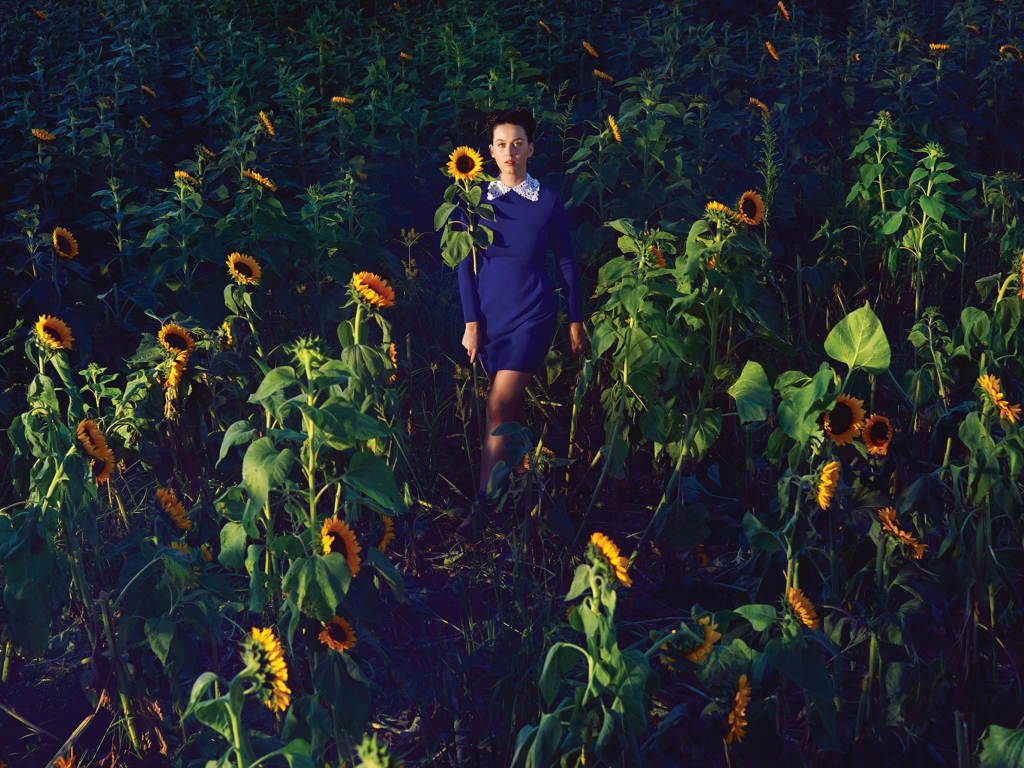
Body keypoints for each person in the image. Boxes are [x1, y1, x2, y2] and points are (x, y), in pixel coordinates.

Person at [454, 107, 588, 537]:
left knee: (496, 405)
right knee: (511, 414)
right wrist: (471, 323)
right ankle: (531, 499)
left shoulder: (547, 201)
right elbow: (462, 266)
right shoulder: (473, 199)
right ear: (489, 152)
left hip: (533, 315)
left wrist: (575, 319)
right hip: (491, 321)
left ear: (530, 148)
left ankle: (483, 509)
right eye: (500, 144)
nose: (509, 151)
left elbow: (566, 259)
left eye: (517, 143)